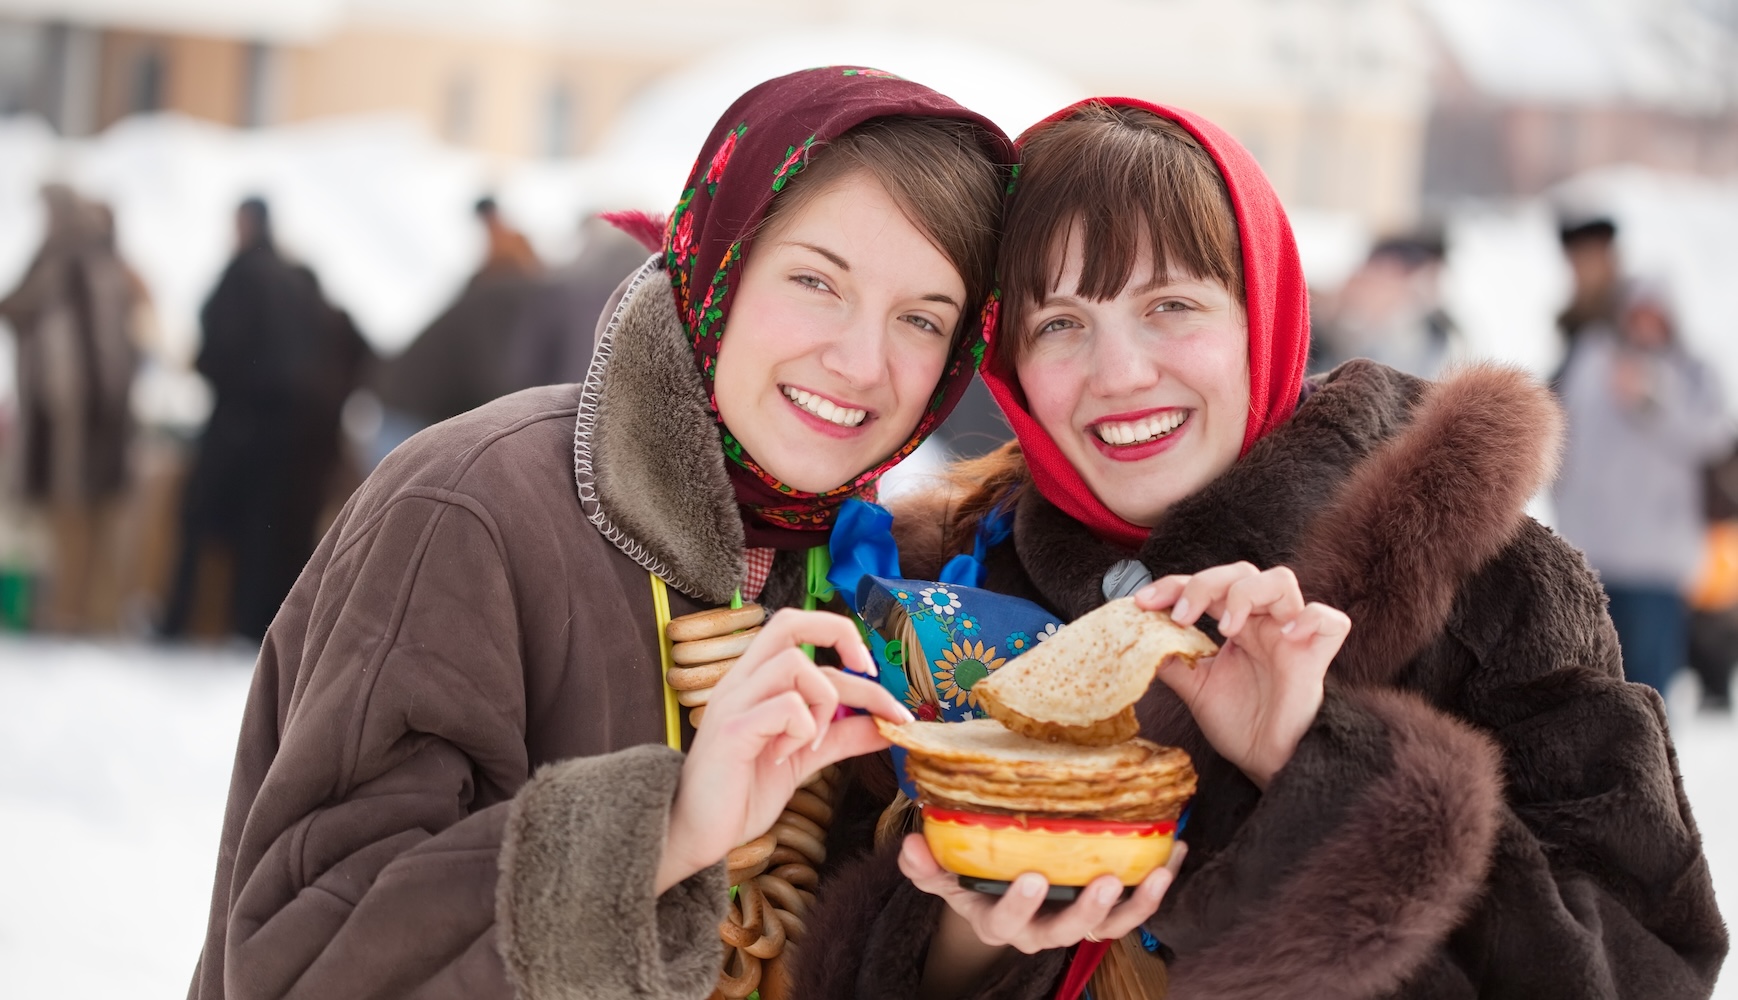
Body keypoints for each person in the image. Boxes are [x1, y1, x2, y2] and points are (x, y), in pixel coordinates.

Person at [796, 100, 1728, 999]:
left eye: (1170, 305)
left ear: (1265, 311)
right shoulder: (949, 595)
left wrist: (1309, 761)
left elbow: (1642, 972)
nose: (1119, 375)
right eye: (1061, 324)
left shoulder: (1488, 584)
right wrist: (973, 932)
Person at [187, 67, 1013, 1000]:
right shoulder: (472, 506)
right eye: (817, 280)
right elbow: (305, 966)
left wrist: (975, 926)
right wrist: (670, 828)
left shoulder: (868, 578)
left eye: (921, 318)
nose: (864, 361)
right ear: (721, 268)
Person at [160, 197, 329, 640]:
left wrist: (212, 370)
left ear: (248, 224)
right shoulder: (292, 280)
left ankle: (180, 619)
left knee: (199, 520)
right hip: (283, 424)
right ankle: (251, 623)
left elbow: (220, 345)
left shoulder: (245, 274)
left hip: (239, 415)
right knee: (261, 529)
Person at [1554, 282, 1732, 696]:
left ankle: (1648, 760)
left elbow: (1714, 437)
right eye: (1637, 315)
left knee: (1648, 686)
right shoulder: (1591, 358)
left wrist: (1653, 399)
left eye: (1655, 316)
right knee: (1591, 685)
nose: (1645, 326)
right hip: (1591, 554)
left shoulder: (1690, 370)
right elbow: (1561, 433)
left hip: (1657, 562)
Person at [0, 183, 144, 631]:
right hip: (97, 412)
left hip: (71, 415)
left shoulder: (67, 263)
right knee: (90, 514)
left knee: (72, 514)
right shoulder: (112, 268)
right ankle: (85, 612)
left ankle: (70, 612)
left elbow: (20, 308)